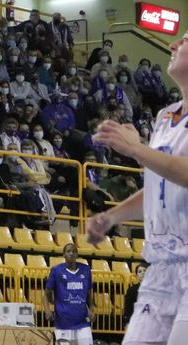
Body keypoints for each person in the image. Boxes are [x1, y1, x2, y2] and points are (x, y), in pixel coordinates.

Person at [86, 30, 188, 345]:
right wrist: (111, 216)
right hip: (162, 266)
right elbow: (162, 183)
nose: (174, 44)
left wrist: (136, 150)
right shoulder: (165, 116)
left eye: (185, 40)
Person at [45, 243, 94, 345]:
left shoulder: (86, 270)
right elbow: (46, 293)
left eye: (74, 251)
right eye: (68, 251)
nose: (71, 253)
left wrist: (91, 309)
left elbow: (89, 293)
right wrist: (48, 309)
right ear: (64, 255)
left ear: (77, 255)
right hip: (63, 322)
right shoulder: (56, 270)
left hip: (82, 322)